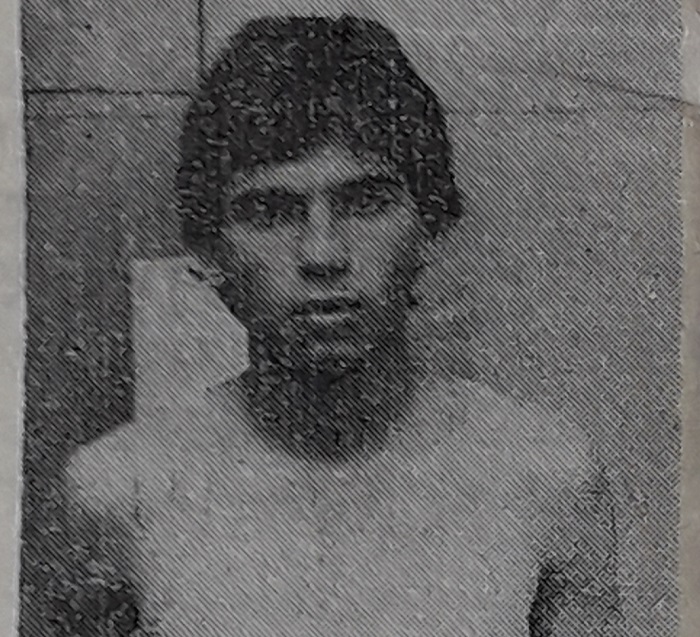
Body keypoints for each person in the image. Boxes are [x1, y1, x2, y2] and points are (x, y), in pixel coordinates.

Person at [50, 14, 621, 637]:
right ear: (209, 252)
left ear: (429, 227)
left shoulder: (543, 472)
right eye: (271, 212)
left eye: (365, 203)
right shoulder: (118, 488)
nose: (322, 254)